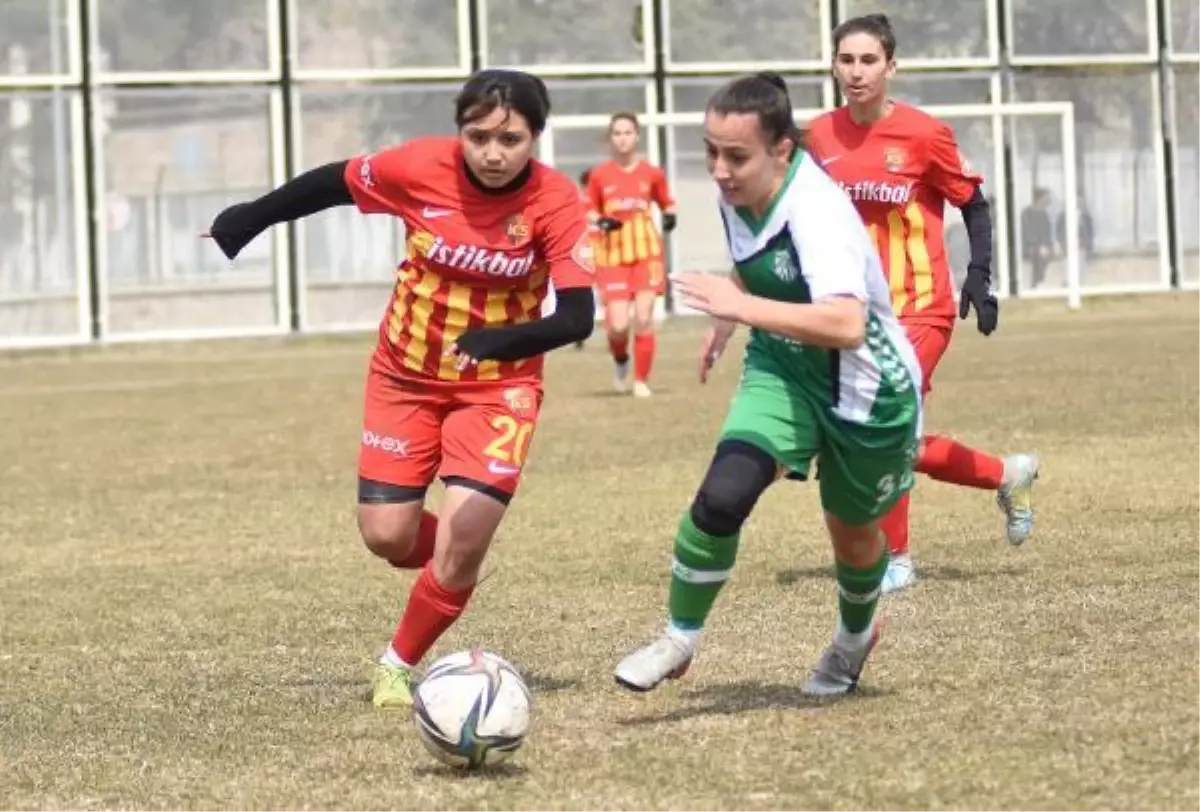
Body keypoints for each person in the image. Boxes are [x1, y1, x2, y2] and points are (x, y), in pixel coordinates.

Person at [203, 69, 596, 709]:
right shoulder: (417, 167)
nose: (494, 153)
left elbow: (578, 318)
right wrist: (251, 218)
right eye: (479, 136)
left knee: (464, 539)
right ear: (459, 132)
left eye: (512, 139)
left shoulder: (555, 203)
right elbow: (335, 181)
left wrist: (500, 342)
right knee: (387, 536)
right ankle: (455, 561)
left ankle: (397, 662)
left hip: (500, 386)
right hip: (404, 375)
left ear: (536, 137)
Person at [614, 73, 921, 697]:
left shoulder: (819, 210)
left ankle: (855, 639)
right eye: (711, 151)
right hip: (783, 366)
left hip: (869, 391)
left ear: (781, 150)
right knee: (724, 495)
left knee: (855, 536)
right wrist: (732, 315)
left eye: (736, 155)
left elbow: (847, 324)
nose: (720, 170)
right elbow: (757, 255)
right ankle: (679, 639)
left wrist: (739, 305)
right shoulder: (736, 192)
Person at [806, 13, 1039, 594]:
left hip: (920, 307)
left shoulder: (923, 133)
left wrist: (979, 275)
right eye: (846, 60)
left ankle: (898, 561)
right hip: (852, 314)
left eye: (868, 60)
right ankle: (1007, 474)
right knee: (895, 441)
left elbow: (973, 202)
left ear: (891, 66)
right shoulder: (820, 137)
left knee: (880, 432)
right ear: (833, 65)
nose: (856, 72)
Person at [586, 113, 677, 396]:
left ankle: (641, 381)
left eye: (628, 132)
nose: (623, 138)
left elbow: (667, 202)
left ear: (637, 136)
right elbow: (590, 208)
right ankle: (621, 359)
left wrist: (670, 216)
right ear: (611, 138)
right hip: (612, 254)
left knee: (643, 316)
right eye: (617, 133)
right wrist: (600, 220)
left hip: (646, 252)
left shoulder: (652, 173)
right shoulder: (600, 175)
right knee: (618, 325)